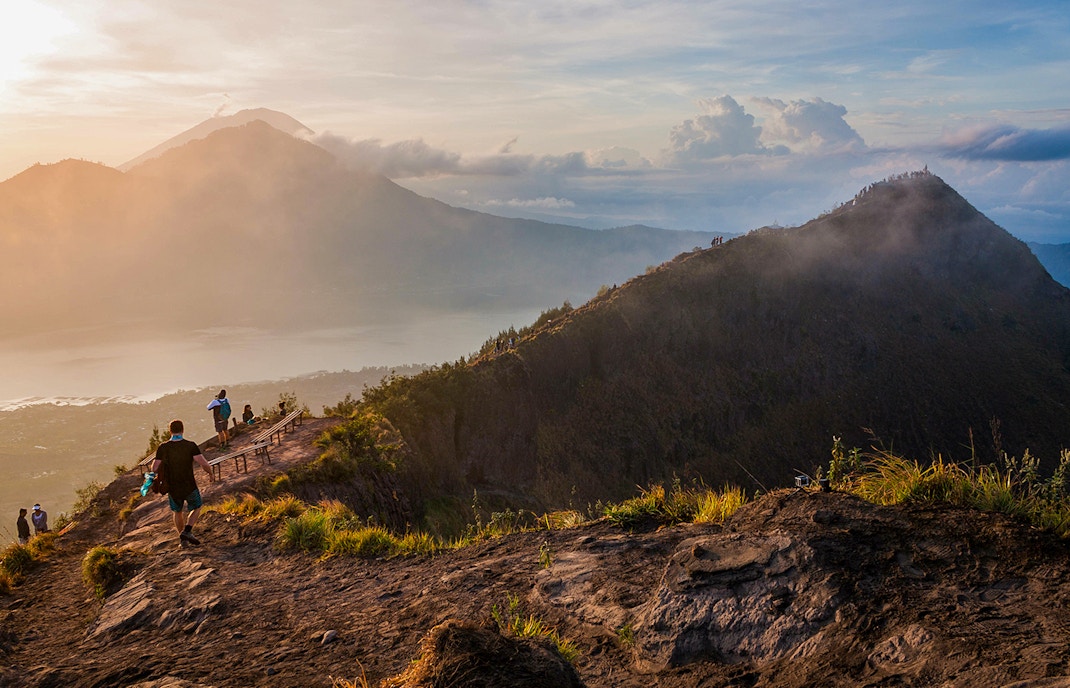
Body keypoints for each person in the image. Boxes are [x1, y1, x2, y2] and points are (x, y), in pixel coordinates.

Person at [151, 419, 214, 547]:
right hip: (189, 484)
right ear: (183, 430)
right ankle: (187, 531)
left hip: (172, 486)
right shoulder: (190, 445)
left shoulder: (163, 447)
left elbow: (154, 468)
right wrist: (210, 473)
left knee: (177, 511)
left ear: (170, 431)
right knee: (197, 506)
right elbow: (203, 463)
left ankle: (183, 540)